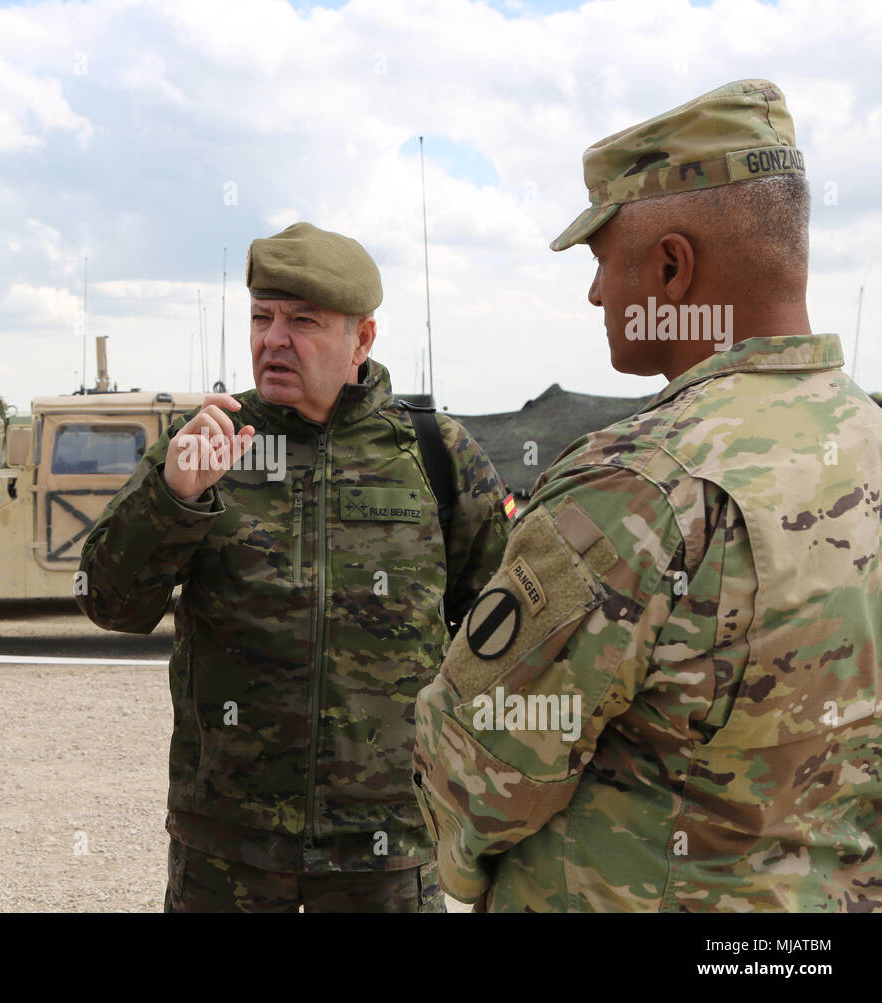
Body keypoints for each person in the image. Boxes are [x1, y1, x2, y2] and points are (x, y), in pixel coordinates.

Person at [413, 79, 882, 912]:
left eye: (601, 260)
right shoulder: (869, 441)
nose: (596, 294)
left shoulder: (641, 485)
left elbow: (480, 772)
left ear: (671, 265)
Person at [78, 222, 510, 912]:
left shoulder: (435, 453)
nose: (273, 340)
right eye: (261, 318)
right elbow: (107, 601)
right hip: (229, 847)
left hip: (387, 844)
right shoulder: (207, 442)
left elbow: (501, 639)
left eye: (302, 321)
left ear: (362, 339)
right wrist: (172, 498)